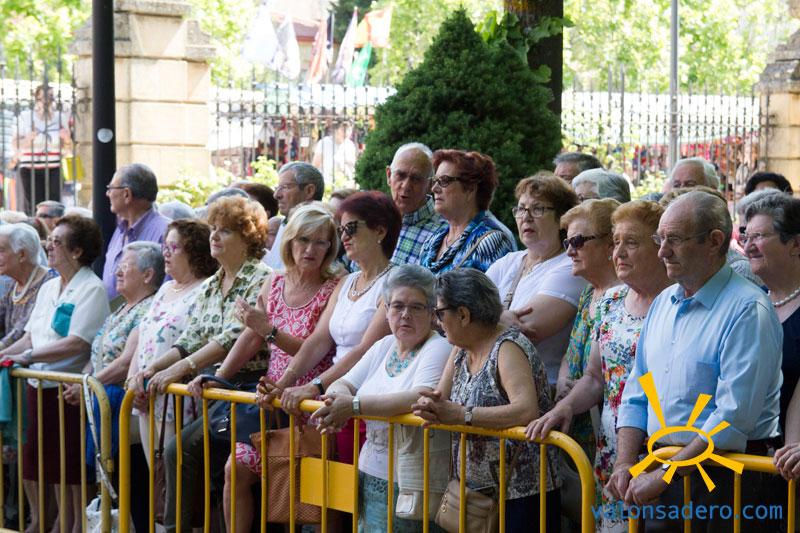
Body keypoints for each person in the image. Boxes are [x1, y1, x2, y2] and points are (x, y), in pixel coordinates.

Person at [609, 191, 783, 532]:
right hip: (664, 472)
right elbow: (637, 392)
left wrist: (666, 474)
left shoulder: (748, 309)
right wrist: (625, 463)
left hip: (725, 479)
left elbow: (732, 418)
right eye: (660, 239)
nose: (662, 251)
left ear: (714, 241)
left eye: (674, 239)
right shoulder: (663, 303)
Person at [186, 202, 342, 532]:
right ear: (289, 241)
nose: (310, 249)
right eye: (304, 240)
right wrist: (219, 377)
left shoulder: (334, 286)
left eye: (320, 242)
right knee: (236, 469)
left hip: (312, 402)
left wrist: (269, 330)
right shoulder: (274, 282)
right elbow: (250, 336)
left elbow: (315, 349)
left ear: (330, 247)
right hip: (273, 402)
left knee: (313, 501)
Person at [127, 196, 270, 533]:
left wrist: (179, 369)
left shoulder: (262, 278)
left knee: (187, 451)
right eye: (213, 229)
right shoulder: (211, 285)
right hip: (212, 387)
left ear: (248, 238)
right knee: (184, 455)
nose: (214, 236)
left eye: (226, 231)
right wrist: (153, 369)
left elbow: (234, 336)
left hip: (249, 387)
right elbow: (189, 338)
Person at [527, 200, 671, 533]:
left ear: (660, 247)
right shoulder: (610, 302)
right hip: (613, 449)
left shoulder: (678, 302)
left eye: (631, 242)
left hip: (663, 454)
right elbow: (594, 377)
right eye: (616, 242)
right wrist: (564, 407)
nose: (618, 252)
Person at [412, 268, 560, 531]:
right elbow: (440, 397)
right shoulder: (460, 347)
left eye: (440, 313)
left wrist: (461, 415)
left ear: (463, 315)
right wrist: (430, 406)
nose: (437, 321)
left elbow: (526, 410)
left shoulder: (507, 347)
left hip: (521, 497)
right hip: (476, 493)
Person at [311, 265, 451, 532]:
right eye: (397, 306)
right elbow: (342, 383)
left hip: (412, 481)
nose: (405, 315)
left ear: (433, 314)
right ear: (386, 310)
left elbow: (419, 396)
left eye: (416, 307)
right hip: (369, 471)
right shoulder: (384, 345)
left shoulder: (439, 347)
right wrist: (338, 402)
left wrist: (352, 407)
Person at [264, 191, 400, 465]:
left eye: (351, 228)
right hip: (337, 397)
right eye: (341, 230)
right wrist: (282, 384)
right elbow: (319, 340)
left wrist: (314, 386)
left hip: (367, 404)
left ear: (380, 231)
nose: (344, 237)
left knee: (354, 485)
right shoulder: (347, 281)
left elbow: (366, 349)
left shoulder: (396, 281)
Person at [1, 214, 109, 533]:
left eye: (57, 242)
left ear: (77, 251)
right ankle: (51, 522)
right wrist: (6, 354)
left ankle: (72, 525)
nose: (49, 246)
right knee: (42, 463)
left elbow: (77, 343)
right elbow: (30, 336)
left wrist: (26, 356)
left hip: (67, 391)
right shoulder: (49, 287)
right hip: (38, 386)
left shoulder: (92, 288)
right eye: (50, 241)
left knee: (70, 467)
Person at [64, 242, 163, 533]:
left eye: (125, 266)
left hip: (125, 409)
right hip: (104, 404)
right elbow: (98, 353)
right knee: (113, 481)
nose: (117, 271)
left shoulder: (149, 308)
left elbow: (125, 362)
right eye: (118, 266)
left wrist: (89, 384)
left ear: (147, 275)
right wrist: (86, 379)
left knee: (132, 482)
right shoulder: (120, 307)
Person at [126, 219, 218, 464]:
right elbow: (143, 337)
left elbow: (198, 341)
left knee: (172, 471)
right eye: (164, 246)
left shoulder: (206, 288)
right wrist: (134, 380)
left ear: (194, 251)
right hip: (148, 396)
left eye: (174, 247)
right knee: (153, 474)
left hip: (178, 397)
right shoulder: (165, 289)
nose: (165, 253)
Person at [486, 172, 585, 383]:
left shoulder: (571, 266)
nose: (526, 217)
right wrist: (499, 317)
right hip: (489, 381)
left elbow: (524, 332)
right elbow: (458, 309)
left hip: (537, 386)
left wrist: (482, 316)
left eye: (538, 209)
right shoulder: (508, 262)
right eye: (521, 209)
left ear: (561, 218)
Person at [554, 199, 621, 456]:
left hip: (610, 431)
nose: (570, 252)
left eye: (578, 241)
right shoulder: (587, 294)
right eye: (567, 243)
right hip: (576, 425)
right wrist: (563, 381)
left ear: (609, 245)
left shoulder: (625, 298)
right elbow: (570, 352)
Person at [738, 193, 800, 432]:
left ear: (795, 244)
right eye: (746, 237)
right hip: (747, 446)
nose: (747, 247)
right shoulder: (748, 303)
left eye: (759, 236)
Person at [418, 150, 515, 273]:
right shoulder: (432, 241)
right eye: (435, 181)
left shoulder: (491, 242)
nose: (434, 188)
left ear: (470, 189)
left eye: (444, 180)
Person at [103, 163, 171, 300]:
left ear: (126, 194)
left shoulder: (166, 232)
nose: (107, 194)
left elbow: (167, 289)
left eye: (111, 188)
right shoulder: (120, 230)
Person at [12, 85, 70, 213]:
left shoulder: (60, 117)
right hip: (29, 169)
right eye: (44, 96)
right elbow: (15, 144)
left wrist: (66, 139)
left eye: (51, 96)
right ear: (37, 98)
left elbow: (68, 147)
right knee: (34, 206)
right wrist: (28, 139)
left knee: (54, 206)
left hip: (54, 167)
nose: (48, 100)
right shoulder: (25, 117)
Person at [385, 143, 446, 265]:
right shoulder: (374, 219)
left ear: (430, 185)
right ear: (389, 176)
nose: (406, 186)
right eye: (400, 175)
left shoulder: (443, 234)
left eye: (416, 179)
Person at [0, 223, 57, 351]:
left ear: (22, 255)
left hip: (35, 358)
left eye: (1, 250)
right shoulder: (14, 284)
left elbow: (22, 330)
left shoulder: (50, 282)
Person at [263, 162, 325, 270]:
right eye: (277, 188)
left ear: (309, 191)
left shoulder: (322, 229)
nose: (276, 195)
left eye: (285, 187)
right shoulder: (286, 223)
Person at [312, 121, 357, 186]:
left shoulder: (350, 145)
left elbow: (353, 166)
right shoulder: (324, 142)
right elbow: (315, 165)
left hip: (345, 185)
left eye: (349, 129)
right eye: (343, 129)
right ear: (336, 129)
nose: (346, 132)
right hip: (326, 184)